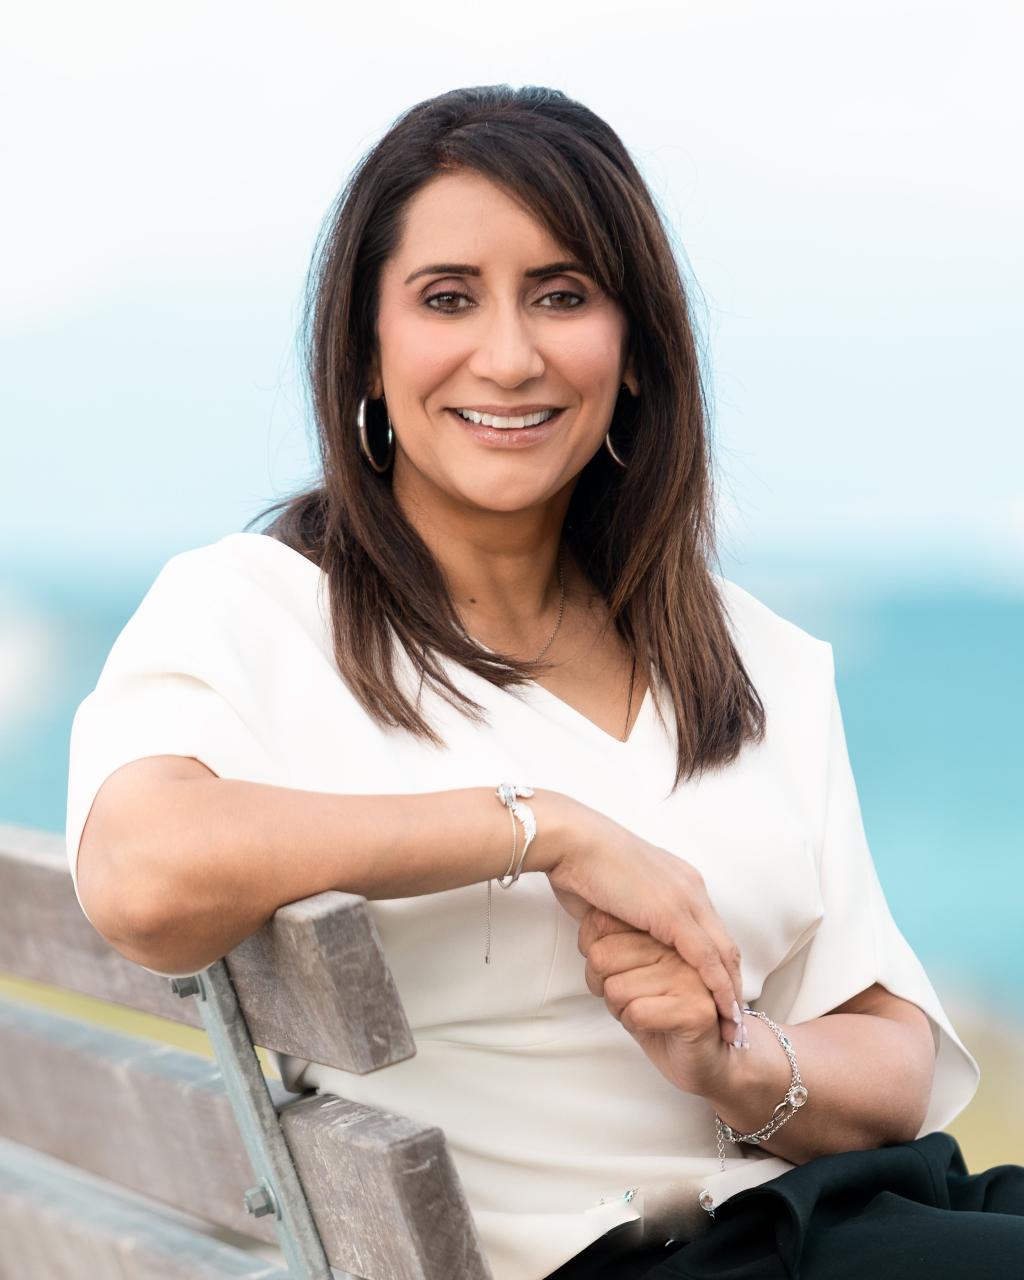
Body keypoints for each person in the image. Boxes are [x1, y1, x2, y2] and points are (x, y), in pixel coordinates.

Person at [65, 85, 1022, 1280]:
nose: (509, 355)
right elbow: (141, 873)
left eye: (562, 295)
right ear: (366, 346)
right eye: (447, 297)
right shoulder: (260, 610)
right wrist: (541, 829)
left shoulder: (752, 653)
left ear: (633, 351)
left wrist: (732, 1059)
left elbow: (890, 1060)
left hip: (832, 1215)